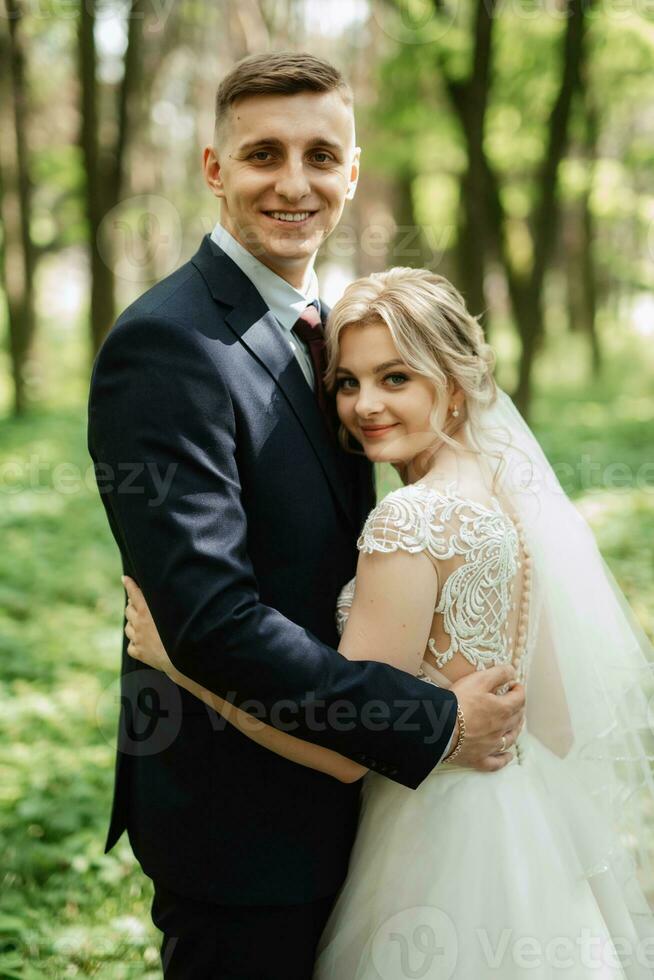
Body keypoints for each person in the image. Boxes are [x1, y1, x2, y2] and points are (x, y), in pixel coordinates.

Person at [88, 53, 524, 979]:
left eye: (322, 155)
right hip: (244, 828)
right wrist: (433, 720)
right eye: (263, 155)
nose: (294, 183)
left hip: (357, 808)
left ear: (352, 172)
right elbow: (208, 621)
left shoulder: (337, 330)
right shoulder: (167, 345)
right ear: (215, 168)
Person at [125, 268, 654, 979]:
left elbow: (347, 753)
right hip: (526, 838)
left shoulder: (410, 519)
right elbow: (552, 722)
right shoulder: (508, 494)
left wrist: (184, 663)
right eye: (348, 382)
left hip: (433, 848)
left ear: (454, 382)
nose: (365, 405)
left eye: (395, 378)